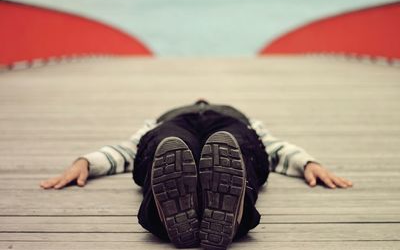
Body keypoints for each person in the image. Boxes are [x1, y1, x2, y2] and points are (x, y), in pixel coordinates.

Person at [40, 100, 353, 250]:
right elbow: (131, 147)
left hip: (228, 125)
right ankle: (221, 210)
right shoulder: (160, 120)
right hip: (177, 126)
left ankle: (169, 214)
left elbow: (272, 146)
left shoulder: (243, 120)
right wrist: (87, 162)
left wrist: (307, 163)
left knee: (235, 145)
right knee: (168, 146)